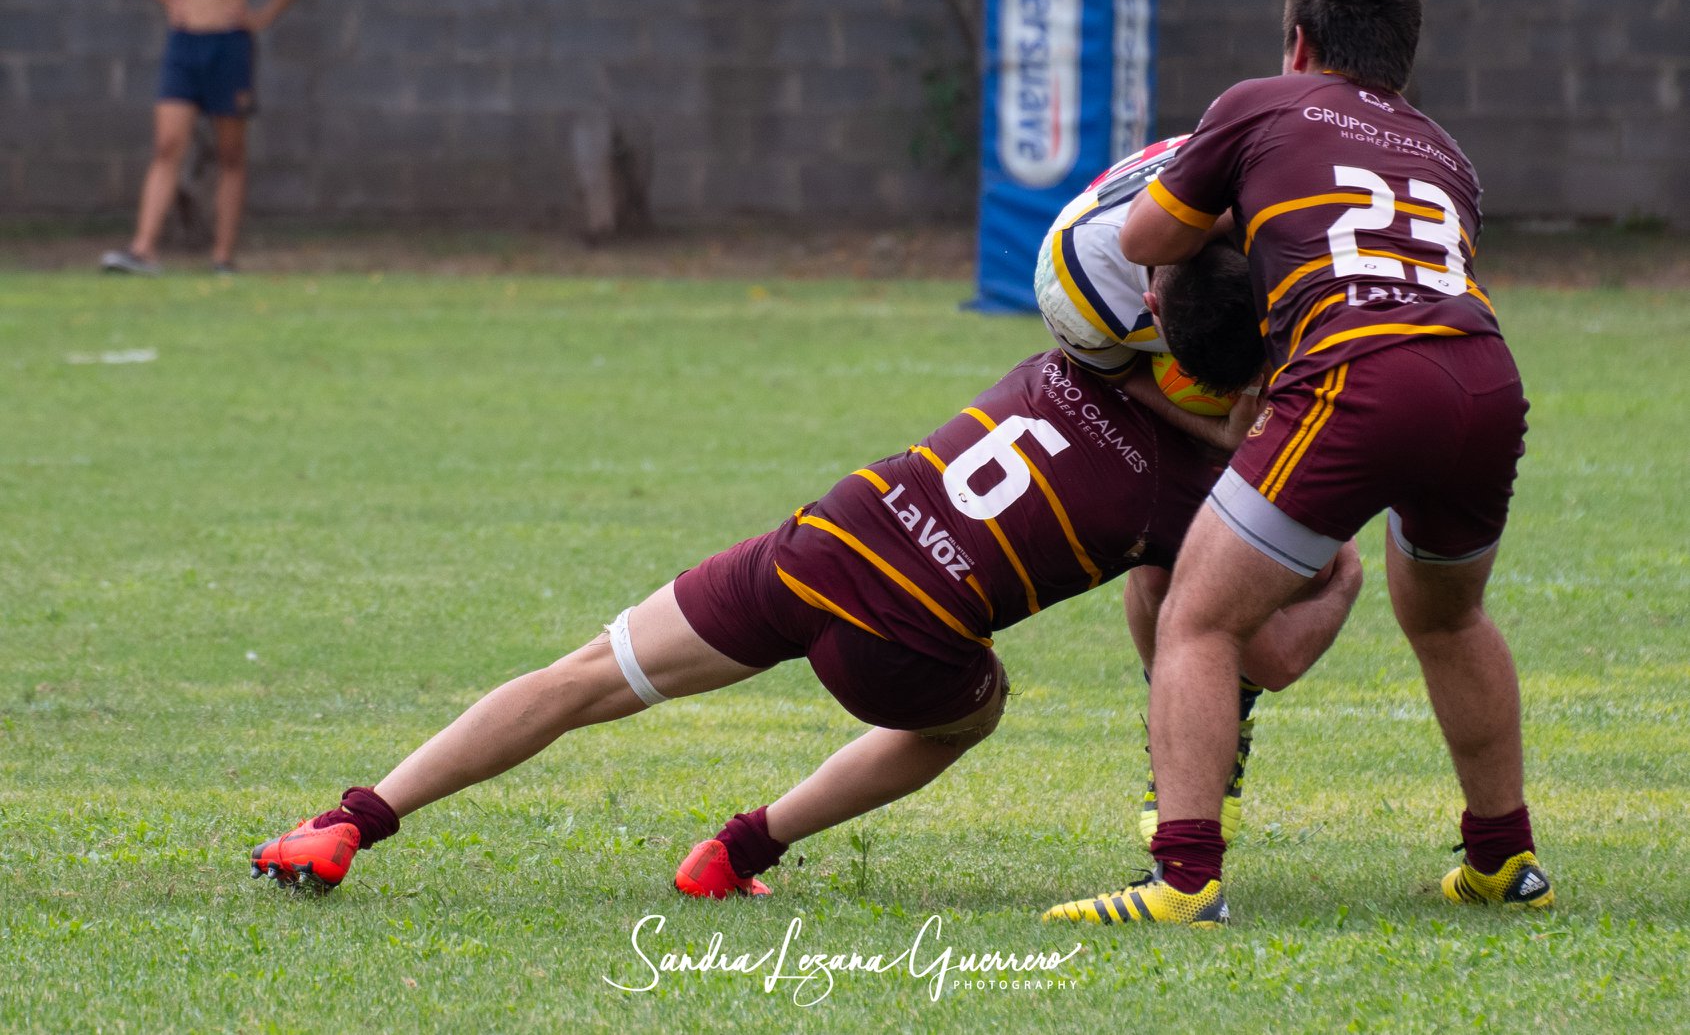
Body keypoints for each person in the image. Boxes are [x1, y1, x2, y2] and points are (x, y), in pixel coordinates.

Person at [249, 265, 1361, 901]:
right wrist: (1342, 570)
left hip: (831, 538)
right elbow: (1262, 654)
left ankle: (346, 820)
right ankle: (739, 849)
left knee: (585, 674)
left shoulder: (1071, 352)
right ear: (1258, 372)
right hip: (911, 636)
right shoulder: (1207, 491)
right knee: (974, 713)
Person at [1043, 0, 1551, 928]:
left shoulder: (1259, 102)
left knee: (1196, 616)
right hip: (1486, 377)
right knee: (1447, 616)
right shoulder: (1450, 156)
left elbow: (1146, 240)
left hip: (1360, 374)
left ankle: (1184, 876)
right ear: (1402, 61)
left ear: (1298, 42)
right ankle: (1503, 856)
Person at [1035, 133, 1286, 848]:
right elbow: (1121, 377)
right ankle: (1185, 732)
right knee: (1159, 556)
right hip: (1156, 362)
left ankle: (1223, 697)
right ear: (1150, 303)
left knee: (1306, 564)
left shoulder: (1289, 232)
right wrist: (1212, 436)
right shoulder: (1078, 284)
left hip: (1271, 335)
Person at [101, 0, 311, 277]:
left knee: (230, 152)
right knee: (167, 143)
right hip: (184, 44)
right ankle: (143, 248)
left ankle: (222, 256)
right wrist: (170, 1)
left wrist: (262, 17)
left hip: (229, 44)